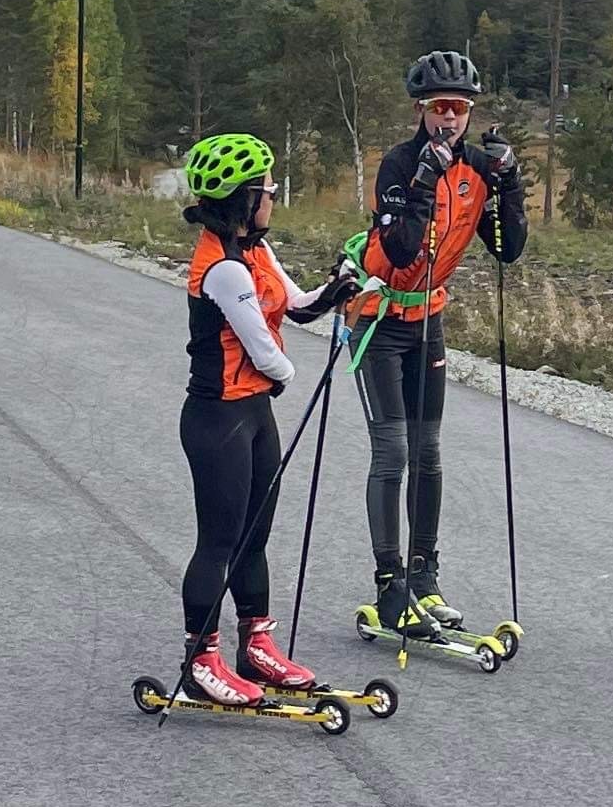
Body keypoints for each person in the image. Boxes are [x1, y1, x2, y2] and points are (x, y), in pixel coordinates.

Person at [169, 131, 357, 706]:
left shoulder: (254, 250)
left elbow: (294, 304)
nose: (273, 197)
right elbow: (263, 350)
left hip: (252, 412)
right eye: (267, 189)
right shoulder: (222, 267)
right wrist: (288, 376)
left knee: (255, 539)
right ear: (242, 200)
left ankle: (257, 645)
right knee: (219, 542)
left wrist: (335, 290)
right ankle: (200, 659)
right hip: (218, 415)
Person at [348, 48, 528, 647]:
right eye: (438, 108)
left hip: (429, 321)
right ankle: (388, 585)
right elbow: (399, 251)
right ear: (421, 110)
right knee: (393, 451)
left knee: (429, 452)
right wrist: (425, 182)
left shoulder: (476, 165)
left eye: (459, 108)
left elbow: (507, 248)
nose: (448, 119)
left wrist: (511, 186)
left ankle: (425, 578)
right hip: (379, 319)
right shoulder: (398, 164)